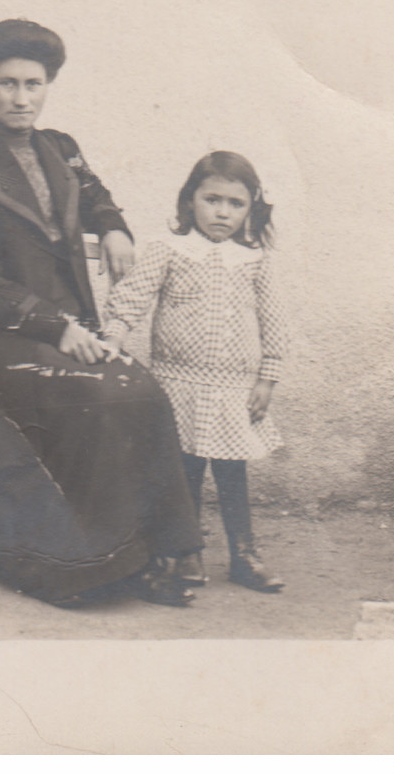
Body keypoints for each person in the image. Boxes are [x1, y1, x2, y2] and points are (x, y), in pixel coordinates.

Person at [0, 19, 202, 607]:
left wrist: (115, 226)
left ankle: (156, 555)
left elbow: (92, 192)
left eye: (33, 83)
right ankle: (69, 566)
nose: (21, 98)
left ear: (48, 85)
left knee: (141, 390)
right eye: (6, 84)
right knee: (92, 397)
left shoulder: (62, 149)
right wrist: (58, 327)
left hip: (65, 329)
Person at [104, 151, 289, 592]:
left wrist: (268, 377)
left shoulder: (254, 260)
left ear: (249, 210)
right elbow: (133, 295)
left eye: (235, 203)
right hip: (177, 386)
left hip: (232, 391)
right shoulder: (170, 251)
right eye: (212, 199)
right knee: (181, 472)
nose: (222, 211)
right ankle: (185, 555)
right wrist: (114, 334)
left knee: (231, 474)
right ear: (190, 202)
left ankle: (244, 556)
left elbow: (274, 320)